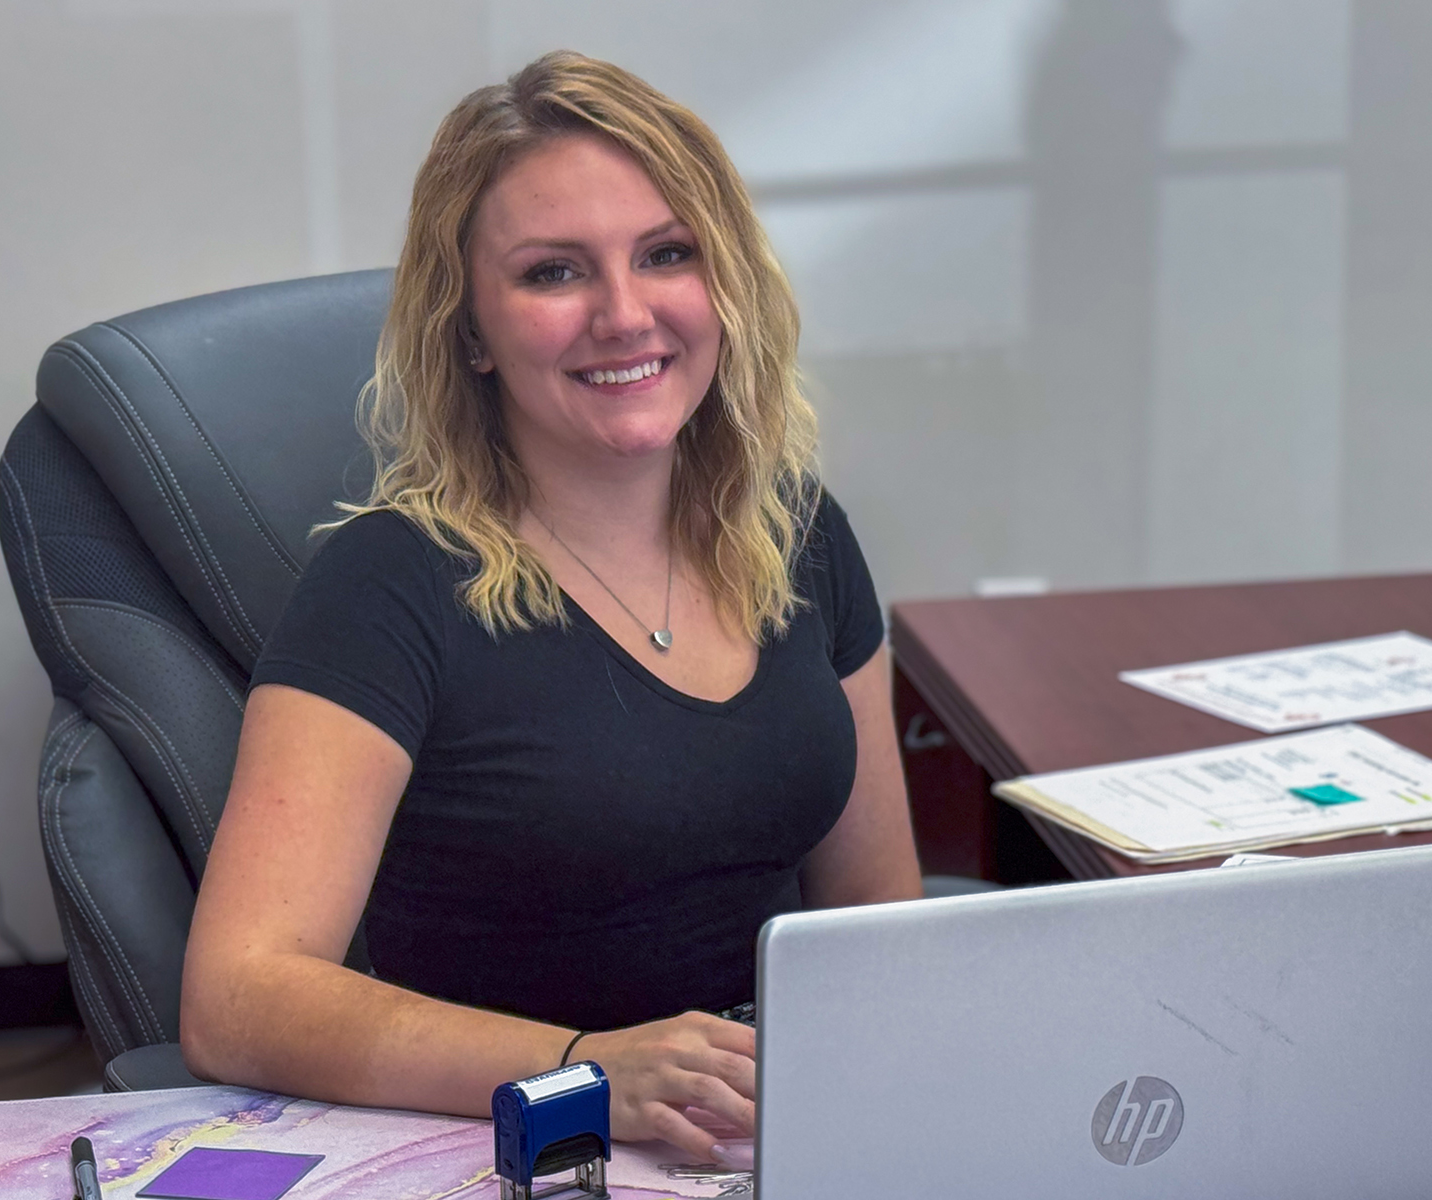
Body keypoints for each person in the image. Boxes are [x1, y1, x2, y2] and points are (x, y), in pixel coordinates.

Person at [179, 50, 922, 1162]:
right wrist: (580, 1068)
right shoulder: (385, 586)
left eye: (666, 254)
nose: (625, 315)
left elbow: (877, 922)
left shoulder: (798, 537)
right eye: (554, 274)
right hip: (530, 1145)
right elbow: (236, 998)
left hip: (778, 1136)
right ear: (471, 327)